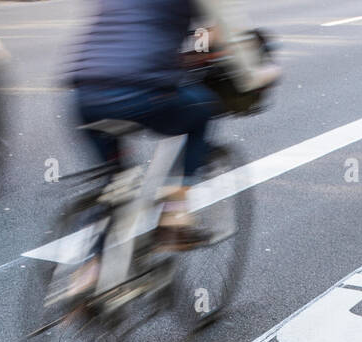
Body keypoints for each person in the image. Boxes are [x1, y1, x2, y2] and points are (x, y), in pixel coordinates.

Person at [67, 0, 279, 249]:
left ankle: (90, 270)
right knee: (201, 108)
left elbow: (142, 32)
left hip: (84, 95)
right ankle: (174, 216)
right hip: (139, 91)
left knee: (117, 189)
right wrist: (256, 74)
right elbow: (231, 33)